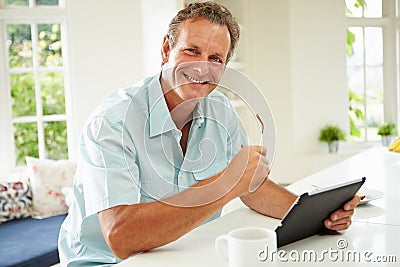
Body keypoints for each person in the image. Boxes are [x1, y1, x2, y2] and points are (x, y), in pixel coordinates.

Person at [58, 2, 360, 266]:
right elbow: (119, 237)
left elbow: (252, 187)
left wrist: (317, 215)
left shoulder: (221, 110)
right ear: (166, 49)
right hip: (107, 262)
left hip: (180, 253)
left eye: (216, 59)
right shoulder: (112, 122)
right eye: (192, 51)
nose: (203, 67)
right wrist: (225, 184)